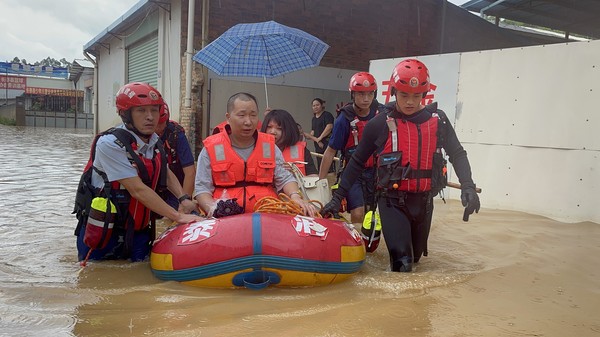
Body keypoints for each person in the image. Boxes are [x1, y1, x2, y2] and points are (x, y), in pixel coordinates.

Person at [321, 59, 481, 272]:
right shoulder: (379, 124)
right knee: (402, 267)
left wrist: (468, 186)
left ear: (424, 95)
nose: (410, 102)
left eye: (416, 96)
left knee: (415, 262)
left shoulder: (439, 121)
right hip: (391, 201)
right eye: (404, 95)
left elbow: (457, 154)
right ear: (394, 92)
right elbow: (357, 162)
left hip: (423, 202)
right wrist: (337, 197)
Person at [74, 82, 203, 262]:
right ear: (127, 115)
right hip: (106, 231)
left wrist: (183, 198)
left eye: (154, 110)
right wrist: (178, 216)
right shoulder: (110, 144)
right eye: (141, 111)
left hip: (139, 231)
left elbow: (164, 170)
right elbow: (137, 189)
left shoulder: (154, 140)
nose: (150, 117)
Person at [194, 92, 316, 218]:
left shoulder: (269, 147)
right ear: (228, 117)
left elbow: (285, 178)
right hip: (225, 219)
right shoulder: (212, 148)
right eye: (241, 115)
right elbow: (202, 189)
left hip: (267, 215)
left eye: (253, 115)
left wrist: (295, 196)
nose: (248, 122)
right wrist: (213, 208)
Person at [318, 72, 381, 226]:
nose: (366, 99)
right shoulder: (343, 120)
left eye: (370, 94)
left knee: (370, 212)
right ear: (353, 94)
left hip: (376, 172)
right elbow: (331, 151)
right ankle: (356, 245)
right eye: (361, 94)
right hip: (353, 173)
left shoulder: (382, 114)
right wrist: (321, 181)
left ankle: (366, 241)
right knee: (358, 212)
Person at [156, 103, 196, 210]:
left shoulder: (176, 135)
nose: (156, 128)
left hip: (175, 187)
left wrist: (184, 201)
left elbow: (190, 172)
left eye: (161, 124)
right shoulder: (138, 136)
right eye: (154, 123)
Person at [261, 109, 318, 177]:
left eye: (279, 128)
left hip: (297, 186)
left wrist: (296, 174)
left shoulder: (302, 150)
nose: (273, 132)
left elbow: (314, 177)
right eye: (269, 127)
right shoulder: (257, 149)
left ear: (289, 130)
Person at [304, 98, 334, 171]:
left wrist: (319, 138)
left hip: (327, 144)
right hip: (318, 146)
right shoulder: (314, 119)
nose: (315, 107)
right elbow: (313, 132)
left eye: (317, 105)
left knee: (329, 167)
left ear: (321, 105)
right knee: (320, 166)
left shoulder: (327, 115)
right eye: (314, 105)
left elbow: (329, 127)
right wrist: (308, 136)